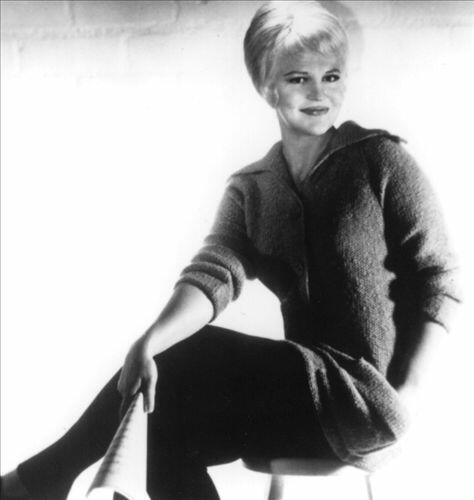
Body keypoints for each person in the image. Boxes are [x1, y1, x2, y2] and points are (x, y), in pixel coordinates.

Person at [1, 1, 460, 499]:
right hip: (298, 406)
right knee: (158, 430)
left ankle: (42, 480)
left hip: (364, 402)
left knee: (188, 354)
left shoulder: (380, 160)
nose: (319, 93)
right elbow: (213, 273)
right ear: (266, 86)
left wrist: (409, 392)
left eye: (331, 76)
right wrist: (149, 342)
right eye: (298, 78)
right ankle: (46, 481)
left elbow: (437, 278)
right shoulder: (252, 188)